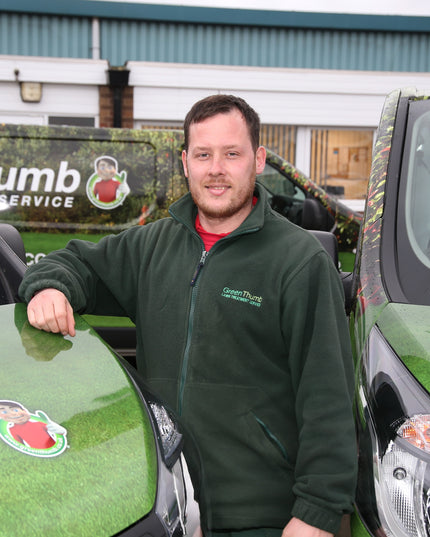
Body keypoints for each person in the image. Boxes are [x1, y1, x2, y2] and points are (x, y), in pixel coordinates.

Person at [19, 94, 357, 537]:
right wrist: (47, 288)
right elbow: (69, 263)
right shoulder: (152, 247)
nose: (216, 169)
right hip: (164, 509)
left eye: (231, 153)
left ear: (257, 160)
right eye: (203, 154)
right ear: (185, 163)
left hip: (261, 520)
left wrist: (316, 516)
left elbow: (328, 401)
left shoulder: (299, 262)